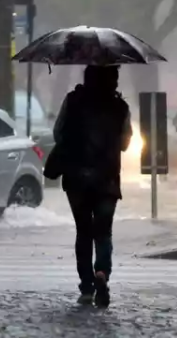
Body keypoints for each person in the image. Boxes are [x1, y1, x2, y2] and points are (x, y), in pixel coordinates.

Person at [53, 65, 132, 307]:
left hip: (76, 178)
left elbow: (58, 133)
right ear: (113, 79)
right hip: (107, 179)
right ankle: (102, 273)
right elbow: (126, 143)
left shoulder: (73, 101)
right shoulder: (120, 107)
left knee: (84, 232)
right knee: (103, 232)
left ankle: (86, 286)